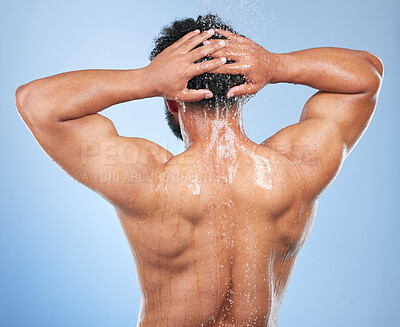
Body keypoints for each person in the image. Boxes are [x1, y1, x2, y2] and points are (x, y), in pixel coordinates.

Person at [15, 14, 383, 327]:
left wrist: (145, 79)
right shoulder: (295, 168)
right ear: (244, 87)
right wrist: (276, 65)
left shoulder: (148, 179)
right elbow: (366, 78)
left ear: (172, 102)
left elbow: (37, 103)